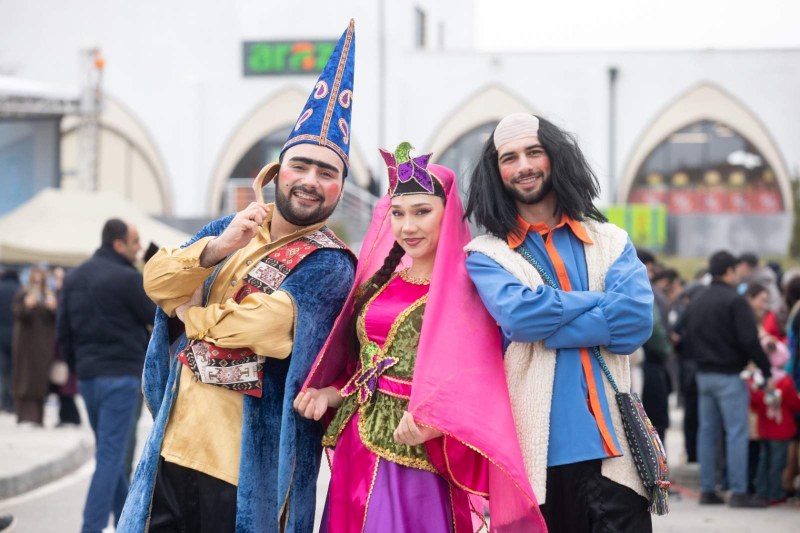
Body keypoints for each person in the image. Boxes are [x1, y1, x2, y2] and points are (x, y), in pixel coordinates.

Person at [117, 20, 357, 533]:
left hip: (243, 468)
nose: (311, 181)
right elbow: (157, 280)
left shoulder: (331, 264)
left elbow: (262, 328)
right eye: (301, 166)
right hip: (175, 445)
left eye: (327, 173)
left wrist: (190, 313)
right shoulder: (231, 227)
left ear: (340, 188)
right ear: (277, 171)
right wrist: (218, 249)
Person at [297, 144, 546, 532]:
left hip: (418, 457)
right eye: (398, 213)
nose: (407, 226)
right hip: (354, 449)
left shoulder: (468, 291)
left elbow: (481, 385)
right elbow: (364, 370)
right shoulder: (379, 285)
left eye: (421, 212)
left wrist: (437, 423)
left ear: (448, 213)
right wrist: (329, 394)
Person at [463, 113, 655, 531]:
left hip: (616, 459)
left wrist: (549, 326)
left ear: (555, 157)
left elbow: (636, 322)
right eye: (509, 158)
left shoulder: (610, 240)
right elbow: (521, 317)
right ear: (496, 172)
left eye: (534, 152)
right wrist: (598, 301)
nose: (523, 166)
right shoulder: (487, 254)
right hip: (534, 463)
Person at [57, 219, 156, 533]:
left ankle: (129, 523)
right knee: (110, 457)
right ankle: (92, 527)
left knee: (108, 453)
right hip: (121, 376)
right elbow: (156, 317)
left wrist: (79, 368)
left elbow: (63, 331)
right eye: (135, 241)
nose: (139, 247)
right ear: (118, 244)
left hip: (88, 378)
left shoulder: (74, 277)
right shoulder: (128, 278)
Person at [682, 250, 773, 508]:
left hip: (703, 375)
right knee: (736, 433)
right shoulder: (735, 300)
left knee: (707, 433)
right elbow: (748, 339)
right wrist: (765, 369)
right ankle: (739, 491)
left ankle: (707, 489)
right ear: (729, 271)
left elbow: (682, 333)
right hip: (730, 376)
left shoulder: (697, 298)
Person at [747, 333, 800, 504]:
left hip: (764, 428)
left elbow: (754, 404)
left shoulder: (758, 381)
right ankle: (776, 493)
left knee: (764, 461)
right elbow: (794, 404)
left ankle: (762, 491)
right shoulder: (785, 381)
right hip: (782, 430)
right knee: (778, 463)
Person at [11, 266, 57, 426]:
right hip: (25, 344)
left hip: (43, 343)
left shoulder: (48, 294)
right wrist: (27, 306)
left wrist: (52, 309)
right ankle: (25, 416)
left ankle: (38, 417)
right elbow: (18, 313)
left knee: (40, 378)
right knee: (25, 378)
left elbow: (53, 318)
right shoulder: (23, 293)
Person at [0, 268, 20, 413]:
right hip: (16, 335)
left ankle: (4, 400)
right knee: (14, 370)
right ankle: (12, 402)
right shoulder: (19, 290)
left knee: (3, 370)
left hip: (1, 335)